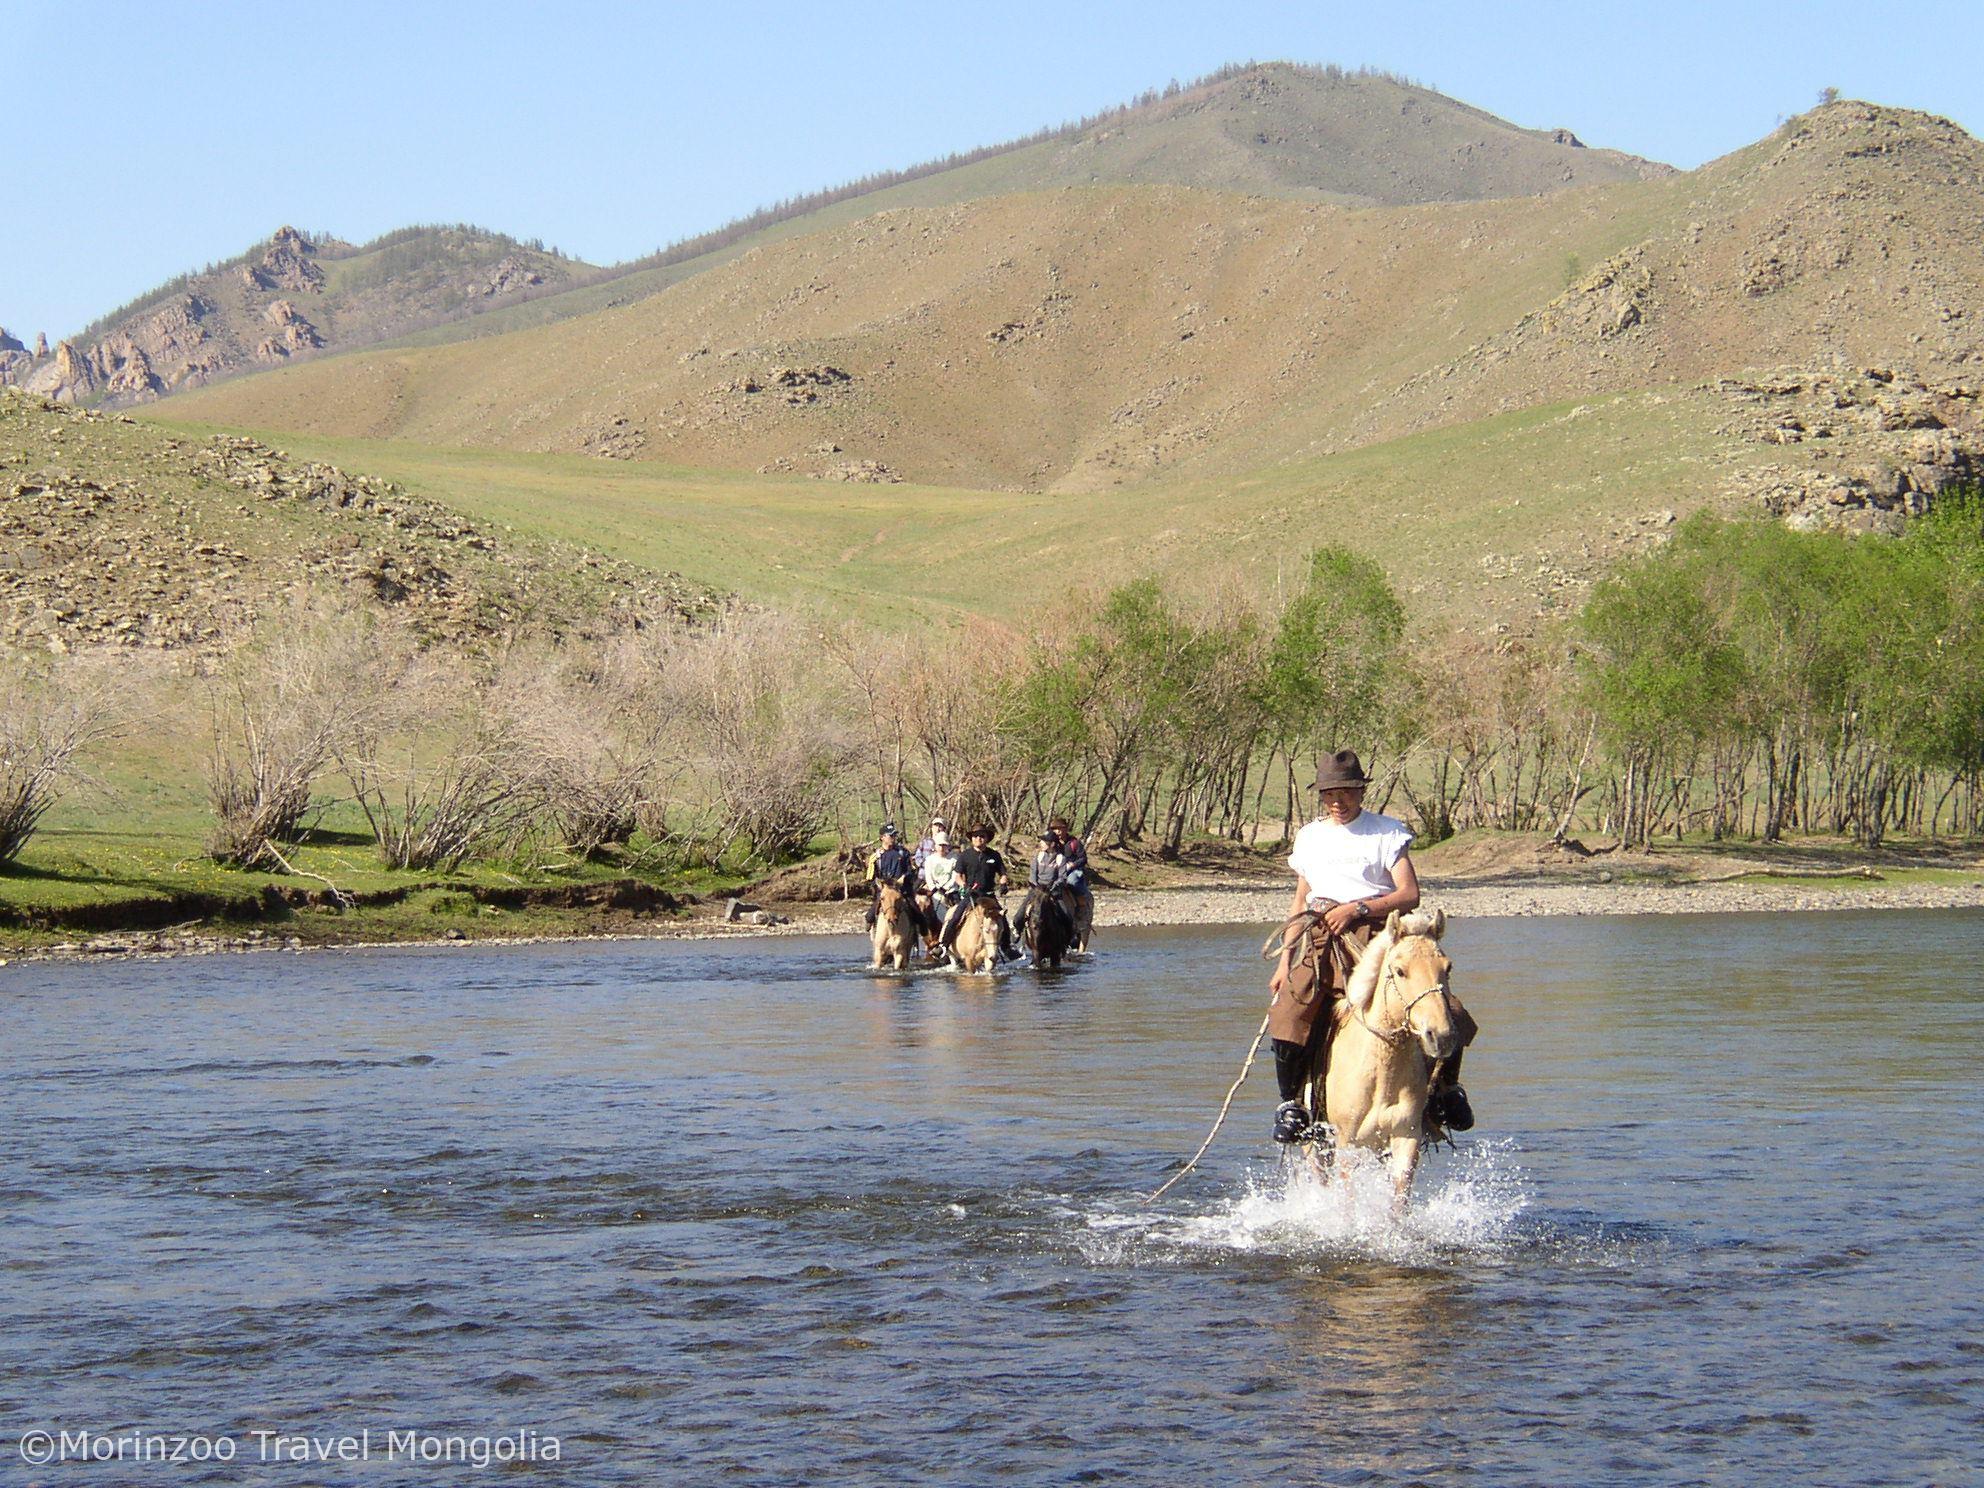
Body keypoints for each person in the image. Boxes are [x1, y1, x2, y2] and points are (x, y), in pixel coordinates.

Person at [1265, 750, 1474, 1144]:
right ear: (1321, 796)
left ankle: (1445, 1091)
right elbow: (1299, 903)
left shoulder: (1387, 832)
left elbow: (1409, 893)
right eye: (1329, 794)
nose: (1338, 801)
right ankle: (1291, 1104)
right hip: (1323, 939)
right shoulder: (1309, 837)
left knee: (1449, 1010)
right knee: (1287, 1013)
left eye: (1345, 792)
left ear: (1360, 791)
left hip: (1379, 939)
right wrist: (1284, 963)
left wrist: (1357, 908)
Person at [947, 825, 1017, 961]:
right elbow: (957, 876)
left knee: (1002, 920)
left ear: (986, 839)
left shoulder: (994, 855)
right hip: (971, 895)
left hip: (989, 896)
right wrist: (964, 885)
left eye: (982, 836)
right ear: (972, 839)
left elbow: (1003, 873)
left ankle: (1007, 948)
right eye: (976, 836)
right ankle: (943, 945)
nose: (979, 838)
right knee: (955, 917)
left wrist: (1003, 884)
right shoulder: (964, 855)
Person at [1011, 829, 1068, 948]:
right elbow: (1032, 875)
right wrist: (1036, 887)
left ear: (1052, 844)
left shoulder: (1060, 858)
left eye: (1044, 841)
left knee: (1067, 916)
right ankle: (1017, 931)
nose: (1041, 843)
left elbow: (1062, 877)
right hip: (1037, 891)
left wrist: (1053, 887)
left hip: (1053, 891)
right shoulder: (1038, 856)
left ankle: (1067, 938)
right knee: (1019, 915)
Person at [863, 824, 920, 933]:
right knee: (871, 914)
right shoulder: (876, 857)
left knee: (917, 912)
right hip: (884, 889)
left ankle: (925, 936)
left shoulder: (903, 852)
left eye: (894, 835)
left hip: (901, 889)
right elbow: (870, 878)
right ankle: (870, 924)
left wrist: (904, 877)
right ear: (882, 838)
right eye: (890, 836)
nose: (893, 838)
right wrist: (879, 885)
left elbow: (911, 870)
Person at [920, 829, 963, 961]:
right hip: (935, 894)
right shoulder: (930, 860)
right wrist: (935, 888)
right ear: (935, 846)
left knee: (959, 916)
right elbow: (929, 877)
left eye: (944, 845)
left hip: (951, 892)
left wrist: (947, 887)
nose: (942, 848)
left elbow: (955, 875)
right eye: (939, 845)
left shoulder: (954, 858)